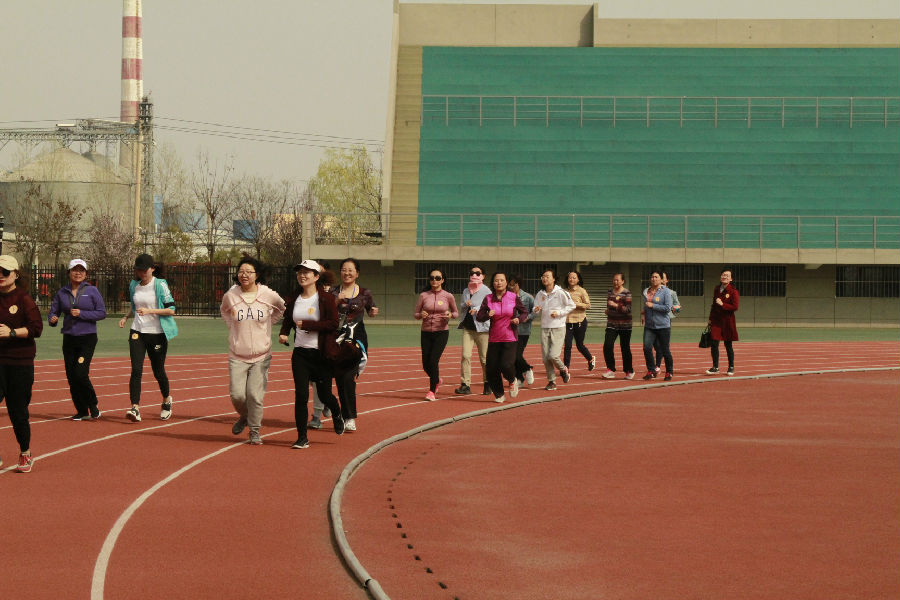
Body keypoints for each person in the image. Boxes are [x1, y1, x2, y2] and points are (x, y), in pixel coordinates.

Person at [278, 259, 344, 449]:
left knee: (324, 395)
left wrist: (308, 325)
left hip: (321, 354)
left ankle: (337, 413)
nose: (302, 275)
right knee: (301, 395)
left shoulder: (326, 298)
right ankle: (302, 437)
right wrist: (284, 332)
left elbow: (333, 324)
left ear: (316, 277)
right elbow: (288, 319)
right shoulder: (294, 298)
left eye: (306, 272)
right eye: (299, 272)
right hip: (300, 354)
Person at [221, 257, 286, 445]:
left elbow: (281, 308)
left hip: (261, 355)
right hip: (237, 355)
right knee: (237, 395)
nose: (244, 275)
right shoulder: (231, 295)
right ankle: (245, 416)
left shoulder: (268, 294)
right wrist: (231, 326)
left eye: (249, 272)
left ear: (257, 275)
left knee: (254, 396)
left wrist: (269, 323)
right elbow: (224, 310)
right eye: (241, 271)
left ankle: (254, 431)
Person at [118, 254, 178, 422]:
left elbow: (171, 309)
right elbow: (134, 306)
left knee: (158, 371)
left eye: (145, 270)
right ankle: (135, 408)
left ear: (152, 268)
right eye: (139, 270)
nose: (142, 273)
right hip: (137, 331)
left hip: (157, 333)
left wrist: (150, 311)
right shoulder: (134, 285)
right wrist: (126, 317)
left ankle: (166, 400)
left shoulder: (160, 284)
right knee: (136, 370)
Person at [48, 258, 107, 420]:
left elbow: (102, 313)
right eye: (75, 270)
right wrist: (53, 319)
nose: (78, 273)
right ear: (69, 272)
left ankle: (93, 405)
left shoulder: (92, 290)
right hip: (69, 338)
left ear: (86, 274)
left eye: (81, 270)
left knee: (80, 373)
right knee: (71, 376)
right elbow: (54, 312)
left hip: (87, 338)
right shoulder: (62, 292)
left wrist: (82, 313)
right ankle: (81, 410)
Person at [0, 255, 43, 473]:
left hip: (19, 362)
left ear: (15, 274)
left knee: (18, 411)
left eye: (5, 272)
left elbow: (36, 328)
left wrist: (12, 332)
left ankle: (25, 452)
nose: (1, 276)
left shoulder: (24, 299)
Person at [331, 258, 378, 432]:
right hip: (335, 338)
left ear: (357, 273)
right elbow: (325, 311)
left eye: (350, 270)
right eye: (344, 269)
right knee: (335, 376)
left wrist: (373, 312)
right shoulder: (333, 291)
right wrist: (336, 301)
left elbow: (371, 310)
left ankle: (349, 417)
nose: (347, 273)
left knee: (347, 377)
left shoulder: (365, 293)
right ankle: (328, 405)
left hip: (355, 339)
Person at [476, 271, 527, 403]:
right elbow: (479, 317)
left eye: (502, 280)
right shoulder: (488, 298)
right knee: (491, 369)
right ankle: (499, 394)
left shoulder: (513, 297)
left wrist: (518, 319)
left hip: (510, 337)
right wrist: (487, 315)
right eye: (496, 280)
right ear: (493, 283)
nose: (499, 283)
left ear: (506, 283)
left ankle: (512, 379)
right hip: (494, 338)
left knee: (506, 365)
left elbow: (524, 312)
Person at [414, 268, 459, 400]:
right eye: (432, 278)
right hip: (426, 332)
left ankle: (432, 391)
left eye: (438, 278)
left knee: (433, 361)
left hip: (441, 332)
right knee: (425, 364)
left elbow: (456, 313)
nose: (434, 280)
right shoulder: (423, 295)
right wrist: (420, 314)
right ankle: (437, 379)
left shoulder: (448, 296)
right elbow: (416, 314)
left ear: (442, 280)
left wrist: (450, 314)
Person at [533, 269, 576, 391]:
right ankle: (552, 381)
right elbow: (535, 308)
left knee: (553, 355)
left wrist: (559, 313)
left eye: (547, 276)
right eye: (543, 276)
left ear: (554, 279)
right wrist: (535, 310)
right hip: (545, 327)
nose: (544, 278)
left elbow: (572, 305)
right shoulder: (540, 294)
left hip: (558, 327)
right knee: (545, 358)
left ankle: (563, 369)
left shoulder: (561, 292)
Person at [455, 265, 492, 396]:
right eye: (472, 273)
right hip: (468, 328)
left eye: (477, 273)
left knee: (484, 358)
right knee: (465, 356)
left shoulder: (487, 291)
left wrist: (476, 308)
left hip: (482, 329)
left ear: (483, 276)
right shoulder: (466, 290)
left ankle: (488, 383)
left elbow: (489, 307)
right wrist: (466, 304)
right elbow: (461, 306)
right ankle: (465, 385)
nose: (474, 275)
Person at [307, 268, 335, 430]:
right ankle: (326, 401)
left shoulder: (333, 297)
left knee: (319, 381)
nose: (325, 287)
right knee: (311, 380)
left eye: (327, 285)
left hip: (325, 345)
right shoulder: (306, 296)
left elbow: (334, 322)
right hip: (306, 344)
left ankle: (316, 416)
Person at [641, 271, 674, 381]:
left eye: (656, 277)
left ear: (660, 279)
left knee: (665, 350)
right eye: (652, 277)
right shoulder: (646, 291)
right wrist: (644, 314)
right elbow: (646, 305)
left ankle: (669, 372)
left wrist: (653, 305)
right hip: (649, 326)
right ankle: (651, 370)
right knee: (646, 348)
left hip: (663, 326)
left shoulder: (666, 292)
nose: (654, 279)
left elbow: (667, 308)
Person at [706, 268, 739, 376]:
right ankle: (715, 367)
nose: (724, 277)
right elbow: (713, 305)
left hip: (727, 321)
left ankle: (731, 367)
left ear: (731, 279)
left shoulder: (733, 291)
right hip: (716, 320)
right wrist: (710, 318)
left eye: (727, 275)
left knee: (728, 344)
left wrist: (723, 304)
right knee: (714, 343)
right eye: (723, 275)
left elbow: (735, 307)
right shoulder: (716, 289)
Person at [601, 273, 634, 380]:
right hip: (612, 323)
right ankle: (610, 369)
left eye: (617, 280)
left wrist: (615, 305)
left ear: (623, 281)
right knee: (607, 345)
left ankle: (629, 370)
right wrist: (608, 311)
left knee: (625, 348)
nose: (615, 282)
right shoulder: (610, 292)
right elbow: (609, 305)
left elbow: (628, 309)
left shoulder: (627, 293)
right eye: (614, 280)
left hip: (625, 325)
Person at [563, 271, 596, 373]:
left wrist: (576, 304)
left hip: (580, 321)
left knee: (580, 345)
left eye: (574, 278)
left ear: (578, 279)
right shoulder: (564, 292)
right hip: (567, 321)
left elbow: (588, 305)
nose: (571, 279)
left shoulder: (582, 291)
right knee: (567, 345)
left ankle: (590, 359)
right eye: (570, 277)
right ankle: (566, 368)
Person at [508, 274, 535, 386]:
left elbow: (534, 312)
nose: (511, 287)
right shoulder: (507, 296)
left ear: (518, 284)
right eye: (509, 285)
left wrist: (527, 317)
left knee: (517, 355)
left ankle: (527, 369)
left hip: (523, 331)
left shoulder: (528, 297)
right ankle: (519, 378)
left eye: (513, 285)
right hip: (509, 330)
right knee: (511, 356)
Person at [654, 271, 681, 374]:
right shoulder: (652, 291)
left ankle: (658, 366)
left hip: (665, 320)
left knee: (663, 345)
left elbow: (677, 306)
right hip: (654, 320)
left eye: (663, 278)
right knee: (655, 344)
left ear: (666, 280)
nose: (661, 280)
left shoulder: (671, 293)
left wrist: (675, 308)